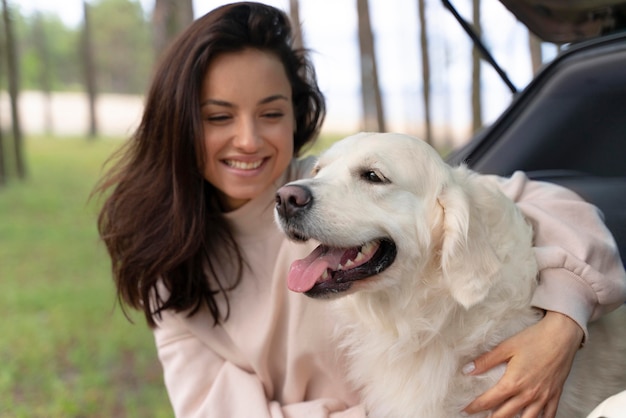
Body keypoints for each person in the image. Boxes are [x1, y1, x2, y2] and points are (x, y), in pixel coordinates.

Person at [94, 2, 626, 417]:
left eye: (271, 113)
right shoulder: (173, 273)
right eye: (218, 117)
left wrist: (563, 322)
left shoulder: (320, 181)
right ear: (178, 123)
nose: (249, 140)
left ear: (296, 116)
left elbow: (548, 204)